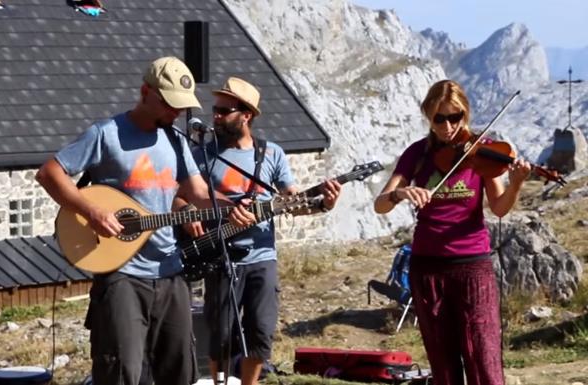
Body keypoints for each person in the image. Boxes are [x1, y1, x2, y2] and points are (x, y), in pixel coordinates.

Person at [36, 57, 255, 385]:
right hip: (121, 275)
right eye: (169, 104)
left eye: (180, 107)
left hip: (170, 271)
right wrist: (92, 212)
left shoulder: (177, 141)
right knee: (121, 372)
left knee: (180, 371)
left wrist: (232, 208)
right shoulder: (107, 134)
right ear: (145, 92)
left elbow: (197, 192)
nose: (175, 113)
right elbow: (50, 173)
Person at [174, 77, 342, 385]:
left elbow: (293, 199)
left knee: (260, 333)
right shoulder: (202, 154)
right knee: (221, 335)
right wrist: (186, 213)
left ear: (246, 115)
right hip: (220, 255)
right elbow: (178, 195)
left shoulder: (271, 154)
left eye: (225, 111)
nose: (217, 116)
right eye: (216, 110)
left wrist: (323, 204)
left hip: (262, 257)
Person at [373, 79, 531, 385]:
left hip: (472, 265)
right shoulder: (417, 154)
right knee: (443, 364)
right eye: (439, 119)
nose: (447, 127)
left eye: (455, 118)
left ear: (465, 115)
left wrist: (517, 183)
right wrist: (401, 193)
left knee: (483, 359)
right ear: (428, 116)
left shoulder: (481, 152)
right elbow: (380, 204)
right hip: (427, 268)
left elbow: (499, 207)